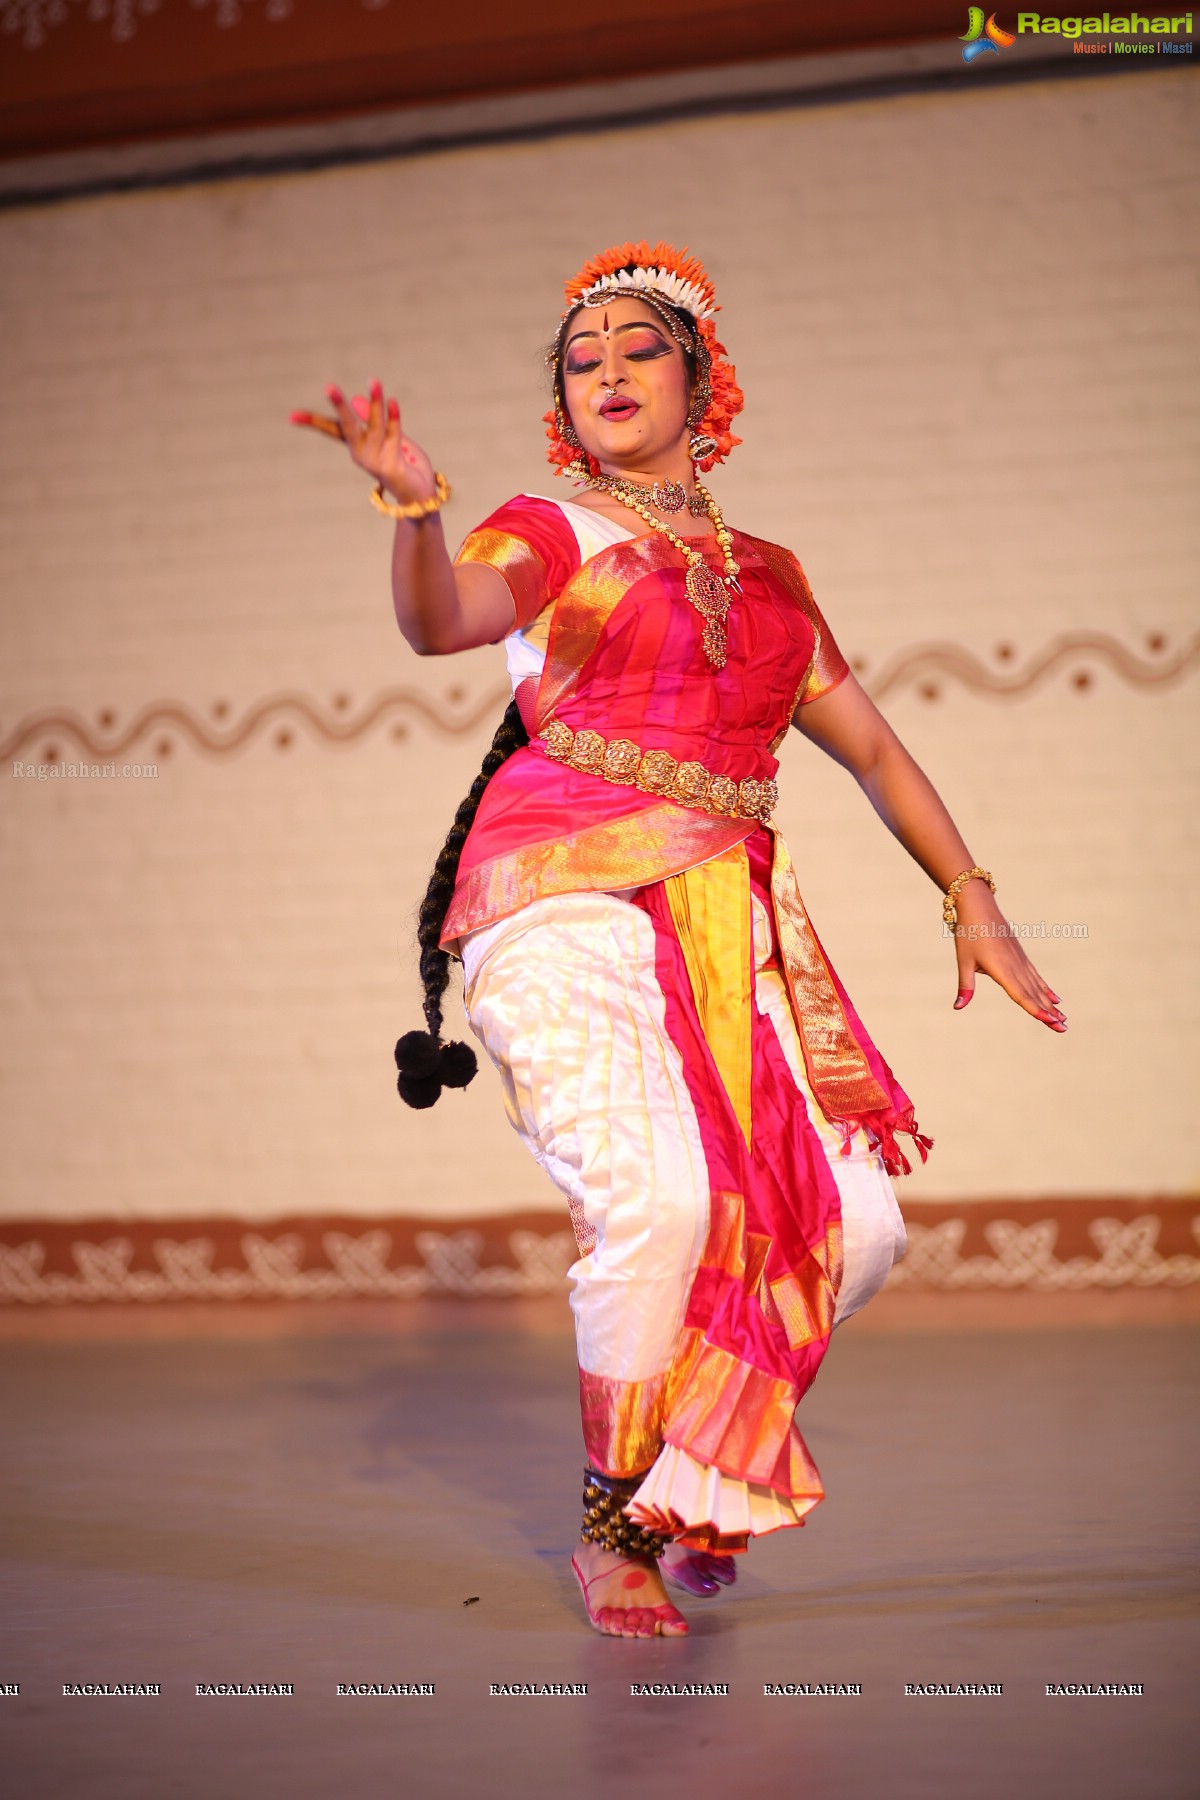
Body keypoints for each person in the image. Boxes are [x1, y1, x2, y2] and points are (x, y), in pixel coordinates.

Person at [291, 239, 1066, 1640]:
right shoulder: (543, 529)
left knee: (859, 1221)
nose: (607, 376)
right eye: (581, 362)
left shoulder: (770, 570)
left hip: (726, 912)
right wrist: (411, 510)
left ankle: (694, 1480)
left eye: (637, 350)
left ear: (702, 383)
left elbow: (876, 754)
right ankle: (614, 1530)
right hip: (556, 896)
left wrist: (976, 900)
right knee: (658, 1206)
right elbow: (443, 621)